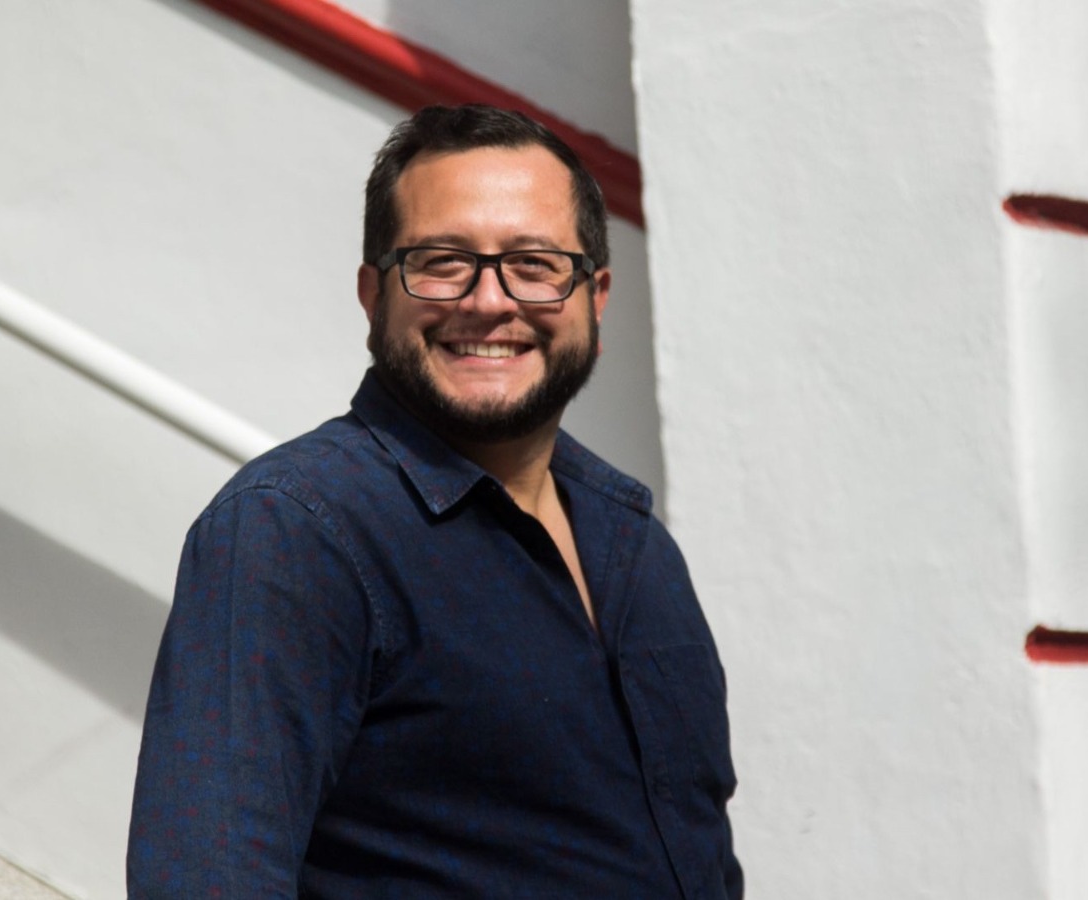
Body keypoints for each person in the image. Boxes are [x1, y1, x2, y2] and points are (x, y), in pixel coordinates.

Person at [127, 104, 741, 898]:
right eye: (442, 261)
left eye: (535, 263)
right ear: (372, 294)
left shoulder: (638, 546)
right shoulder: (296, 529)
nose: (487, 300)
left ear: (595, 297)